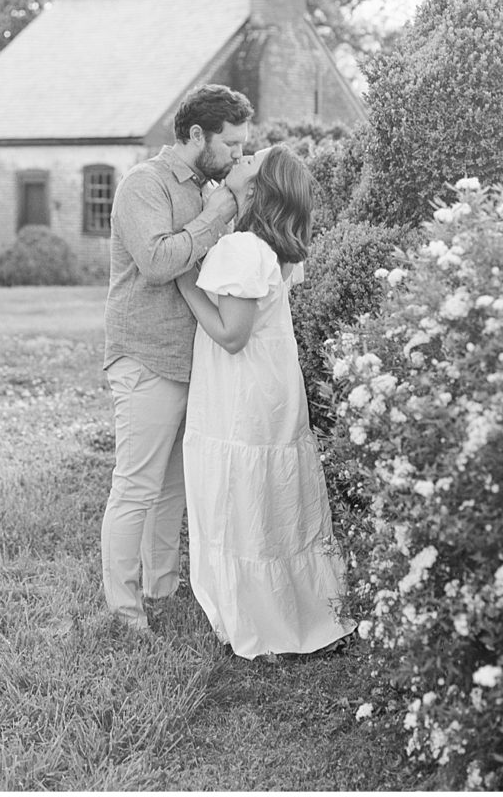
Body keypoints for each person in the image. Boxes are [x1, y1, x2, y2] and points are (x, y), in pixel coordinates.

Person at [176, 145, 357, 659]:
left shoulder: (242, 249)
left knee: (242, 499)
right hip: (273, 388)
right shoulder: (274, 249)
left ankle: (257, 618)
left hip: (241, 392)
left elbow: (231, 336)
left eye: (252, 159)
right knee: (272, 498)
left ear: (258, 190)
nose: (243, 154)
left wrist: (185, 281)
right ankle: (295, 605)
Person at [101, 83, 254, 631]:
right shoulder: (146, 184)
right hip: (146, 355)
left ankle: (161, 590)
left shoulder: (209, 189)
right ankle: (123, 611)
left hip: (193, 360)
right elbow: (158, 261)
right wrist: (218, 213)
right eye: (232, 144)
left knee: (172, 489)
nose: (238, 155)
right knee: (136, 486)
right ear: (197, 135)